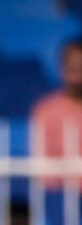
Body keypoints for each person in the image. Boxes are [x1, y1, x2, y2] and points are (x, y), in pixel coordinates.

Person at [30, 38, 82, 189]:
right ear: (62, 69)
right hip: (59, 197)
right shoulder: (46, 110)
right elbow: (42, 166)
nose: (78, 74)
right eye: (73, 67)